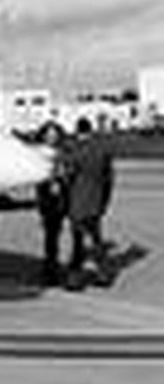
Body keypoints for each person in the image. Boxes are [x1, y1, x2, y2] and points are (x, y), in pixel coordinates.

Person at [64, 117, 116, 289]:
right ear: (90, 130)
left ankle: (75, 278)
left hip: (78, 203)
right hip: (96, 202)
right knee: (96, 240)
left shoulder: (76, 151)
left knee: (78, 242)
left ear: (77, 131)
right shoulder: (102, 150)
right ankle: (104, 274)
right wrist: (104, 202)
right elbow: (109, 179)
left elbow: (69, 175)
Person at [32, 123, 69, 288]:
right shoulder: (39, 151)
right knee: (51, 235)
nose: (52, 137)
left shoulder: (62, 151)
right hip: (47, 196)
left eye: (54, 134)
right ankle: (50, 270)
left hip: (61, 195)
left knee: (56, 233)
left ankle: (52, 267)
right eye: (49, 134)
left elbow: (66, 170)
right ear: (43, 135)